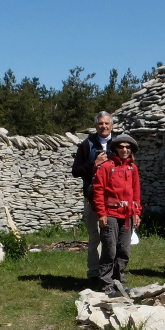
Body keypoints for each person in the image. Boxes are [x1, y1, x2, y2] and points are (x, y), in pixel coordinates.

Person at [91, 134, 142, 298]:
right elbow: (98, 191)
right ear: (115, 149)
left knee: (124, 249)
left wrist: (137, 212)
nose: (125, 150)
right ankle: (106, 281)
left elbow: (136, 192)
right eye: (121, 147)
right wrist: (101, 213)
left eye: (128, 147)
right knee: (110, 249)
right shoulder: (106, 167)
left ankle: (118, 278)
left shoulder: (132, 168)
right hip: (110, 213)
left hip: (127, 215)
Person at [70, 112, 116, 283]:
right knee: (95, 236)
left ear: (112, 125)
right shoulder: (86, 145)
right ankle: (94, 273)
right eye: (100, 124)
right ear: (96, 125)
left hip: (114, 197)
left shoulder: (119, 143)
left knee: (113, 236)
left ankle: (112, 272)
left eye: (107, 123)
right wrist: (93, 165)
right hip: (92, 196)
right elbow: (75, 171)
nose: (104, 126)